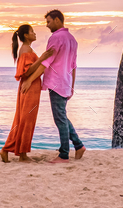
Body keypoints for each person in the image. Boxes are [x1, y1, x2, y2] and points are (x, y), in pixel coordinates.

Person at [23, 9, 85, 164]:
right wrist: (72, 86)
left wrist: (30, 79)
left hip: (56, 83)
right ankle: (78, 146)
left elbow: (45, 63)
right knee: (62, 116)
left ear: (58, 20)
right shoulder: (72, 39)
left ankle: (64, 155)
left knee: (60, 119)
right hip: (65, 82)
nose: (47, 25)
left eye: (49, 22)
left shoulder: (56, 38)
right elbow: (73, 66)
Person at [0, 24, 53, 163]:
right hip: (29, 88)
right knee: (26, 121)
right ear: (25, 35)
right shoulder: (26, 50)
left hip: (31, 87)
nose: (35, 34)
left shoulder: (27, 49)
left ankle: (13, 151)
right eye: (32, 32)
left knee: (23, 120)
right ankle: (18, 154)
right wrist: (41, 58)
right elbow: (27, 72)